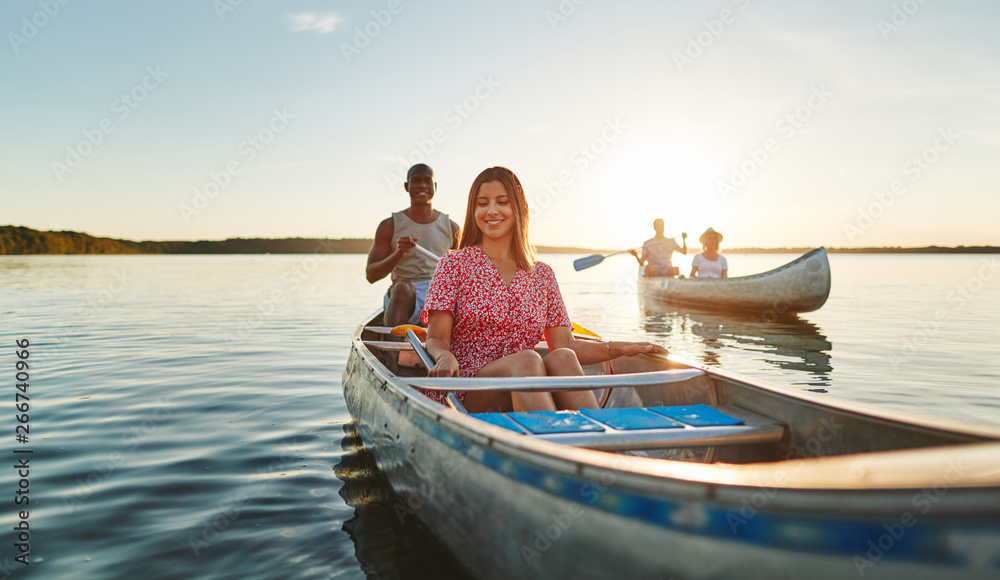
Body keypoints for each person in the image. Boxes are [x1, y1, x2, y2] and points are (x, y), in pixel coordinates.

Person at [420, 166, 668, 412]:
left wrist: (619, 348)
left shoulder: (542, 274)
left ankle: (599, 441)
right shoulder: (453, 264)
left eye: (502, 202)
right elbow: (437, 338)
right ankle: (555, 443)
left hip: (528, 383)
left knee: (563, 358)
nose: (491, 211)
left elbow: (566, 345)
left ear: (519, 209)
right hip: (465, 389)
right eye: (482, 203)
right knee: (528, 360)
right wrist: (443, 356)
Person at [366, 164, 461, 327]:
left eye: (427, 181)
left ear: (435, 187)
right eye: (416, 180)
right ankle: (392, 351)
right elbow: (371, 276)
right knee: (402, 288)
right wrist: (398, 254)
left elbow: (463, 274)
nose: (422, 185)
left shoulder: (452, 228)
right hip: (405, 298)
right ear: (406, 186)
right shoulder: (389, 225)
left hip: (439, 295)